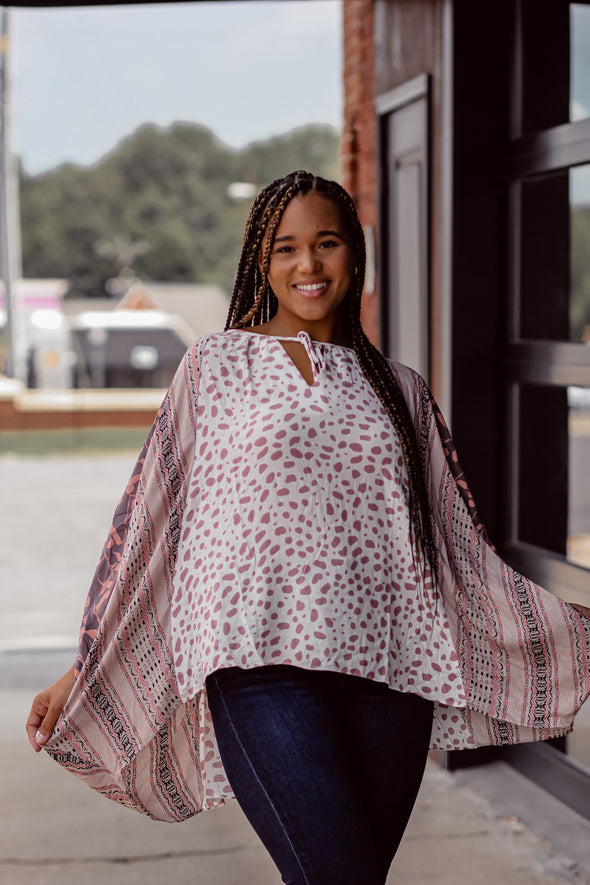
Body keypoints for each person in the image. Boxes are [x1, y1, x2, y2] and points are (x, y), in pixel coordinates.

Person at [26, 170, 590, 885]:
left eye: (325, 243)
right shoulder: (216, 366)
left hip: (390, 675)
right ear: (263, 262)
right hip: (260, 669)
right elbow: (152, 530)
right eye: (286, 248)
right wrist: (86, 664)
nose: (308, 265)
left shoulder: (400, 388)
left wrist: (562, 623)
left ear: (356, 254)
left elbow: (454, 547)